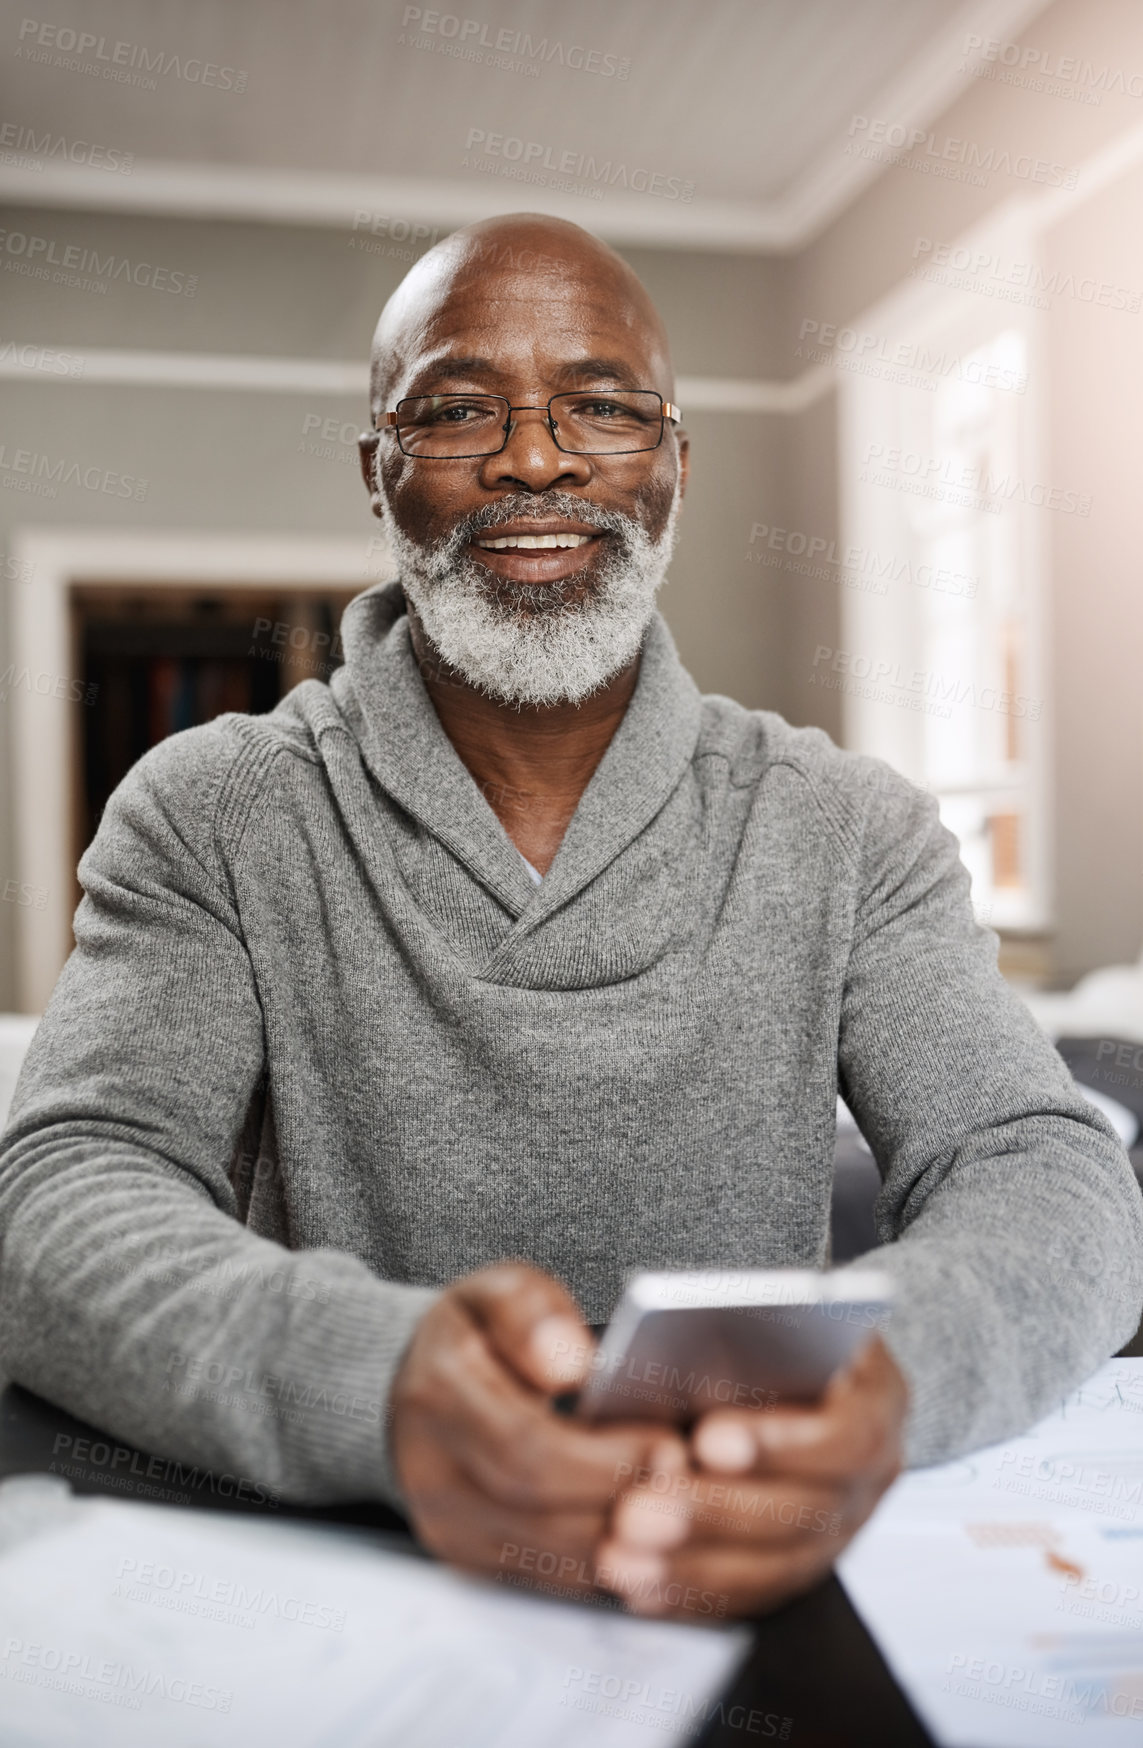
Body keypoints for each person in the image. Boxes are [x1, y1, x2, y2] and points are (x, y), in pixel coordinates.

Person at [1, 214, 1140, 1624]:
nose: (535, 460)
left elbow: (1044, 1166)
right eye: (459, 410)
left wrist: (893, 1374)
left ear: (672, 465)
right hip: (358, 1588)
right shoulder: (214, 812)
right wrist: (368, 1383)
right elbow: (56, 1196)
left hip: (743, 1569)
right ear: (380, 474)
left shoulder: (851, 826)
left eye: (598, 407)